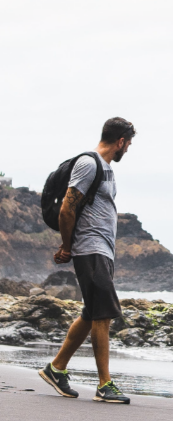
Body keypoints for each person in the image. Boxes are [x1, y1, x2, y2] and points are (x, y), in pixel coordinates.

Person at [38, 117, 136, 404]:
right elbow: (68, 207)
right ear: (120, 141)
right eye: (128, 144)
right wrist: (67, 247)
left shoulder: (105, 170)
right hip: (89, 248)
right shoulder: (89, 164)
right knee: (103, 313)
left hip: (101, 250)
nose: (128, 150)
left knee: (92, 312)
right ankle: (105, 384)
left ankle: (56, 369)